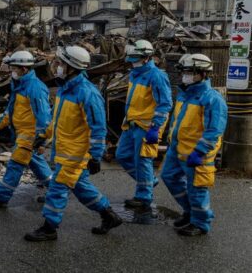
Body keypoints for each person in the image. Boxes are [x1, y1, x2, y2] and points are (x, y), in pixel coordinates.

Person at [24, 45, 122, 242]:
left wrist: (96, 155)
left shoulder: (88, 93)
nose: (56, 66)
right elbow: (56, 120)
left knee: (57, 188)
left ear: (71, 67)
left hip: (76, 155)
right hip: (64, 152)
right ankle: (109, 215)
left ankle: (49, 227)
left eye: (60, 63)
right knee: (80, 188)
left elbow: (98, 127)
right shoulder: (64, 90)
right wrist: (44, 135)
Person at [161, 54, 227, 236]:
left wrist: (199, 151)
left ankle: (200, 223)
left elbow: (214, 130)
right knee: (169, 177)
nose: (186, 75)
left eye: (190, 72)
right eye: (184, 71)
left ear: (204, 73)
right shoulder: (184, 94)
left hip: (198, 152)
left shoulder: (212, 99)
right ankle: (190, 211)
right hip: (178, 148)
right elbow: (177, 120)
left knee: (197, 188)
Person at [0, 50, 52, 208]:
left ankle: (1, 197)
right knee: (36, 164)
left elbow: (44, 117)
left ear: (24, 69)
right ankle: (56, 191)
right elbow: (12, 108)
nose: (11, 71)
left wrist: (42, 139)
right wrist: (1, 123)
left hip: (30, 135)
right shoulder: (20, 85)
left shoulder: (36, 88)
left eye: (14, 68)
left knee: (15, 164)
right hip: (21, 133)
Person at [116, 40, 172, 211]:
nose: (133, 62)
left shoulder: (157, 76)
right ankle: (148, 181)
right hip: (132, 122)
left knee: (142, 160)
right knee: (122, 155)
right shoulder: (135, 73)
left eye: (136, 58)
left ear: (147, 58)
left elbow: (165, 103)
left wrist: (155, 127)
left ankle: (144, 196)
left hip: (147, 125)